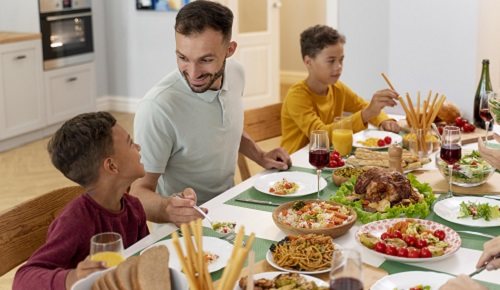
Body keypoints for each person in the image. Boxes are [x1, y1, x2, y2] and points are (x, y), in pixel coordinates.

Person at [131, 0, 291, 222]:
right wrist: (169, 209)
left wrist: (260, 156)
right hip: (183, 229)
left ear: (229, 50)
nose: (193, 73)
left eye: (206, 60)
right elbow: (138, 191)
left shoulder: (236, 73)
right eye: (183, 58)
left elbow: (225, 126)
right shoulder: (157, 108)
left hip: (231, 205)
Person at [13, 112, 149, 290]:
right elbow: (23, 279)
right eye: (131, 143)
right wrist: (73, 277)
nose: (138, 147)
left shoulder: (133, 207)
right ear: (112, 166)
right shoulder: (75, 221)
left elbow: (146, 257)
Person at [281, 25, 401, 154]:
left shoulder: (337, 88)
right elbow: (321, 137)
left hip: (327, 158)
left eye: (341, 60)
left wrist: (384, 120)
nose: (338, 66)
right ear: (308, 62)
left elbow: (362, 105)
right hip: (295, 164)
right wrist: (366, 114)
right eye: (331, 61)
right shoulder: (297, 96)